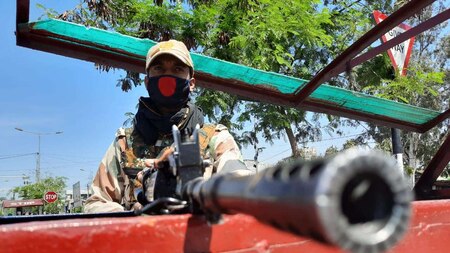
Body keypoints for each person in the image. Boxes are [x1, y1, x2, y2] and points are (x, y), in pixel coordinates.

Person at [84, 40, 254, 213]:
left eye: (178, 69)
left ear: (192, 83)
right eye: (159, 69)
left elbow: (241, 188)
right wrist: (135, 216)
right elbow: (96, 203)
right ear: (148, 82)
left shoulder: (216, 138)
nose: (167, 76)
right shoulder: (124, 143)